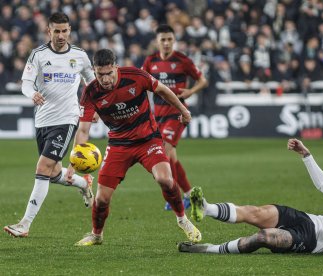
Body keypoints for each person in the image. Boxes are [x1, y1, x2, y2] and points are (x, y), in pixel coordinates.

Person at [67, 49, 201, 246]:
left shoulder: (135, 76)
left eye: (108, 73)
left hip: (148, 140)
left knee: (165, 178)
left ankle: (183, 220)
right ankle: (96, 235)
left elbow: (163, 90)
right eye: (99, 74)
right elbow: (83, 129)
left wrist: (183, 110)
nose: (104, 79)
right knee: (102, 199)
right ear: (94, 72)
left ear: (115, 67)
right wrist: (75, 160)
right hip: (118, 145)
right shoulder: (91, 92)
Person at [179, 138, 323, 254]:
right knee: (255, 212)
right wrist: (306, 155)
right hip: (307, 219)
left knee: (263, 237)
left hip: (312, 242)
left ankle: (207, 249)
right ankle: (205, 208)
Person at [4, 12, 96, 238]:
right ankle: (83, 184)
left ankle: (25, 224)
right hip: (42, 120)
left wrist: (94, 107)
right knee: (54, 173)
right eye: (57, 31)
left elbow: (92, 83)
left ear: (70, 31)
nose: (61, 35)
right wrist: (32, 93)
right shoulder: (38, 55)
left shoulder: (80, 56)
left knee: (42, 168)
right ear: (49, 31)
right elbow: (26, 82)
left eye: (65, 31)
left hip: (66, 120)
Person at [142, 24, 208, 211]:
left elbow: (203, 80)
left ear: (174, 40)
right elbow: (142, 83)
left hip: (177, 114)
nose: (166, 43)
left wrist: (191, 91)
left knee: (165, 149)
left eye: (170, 39)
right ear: (157, 41)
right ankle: (188, 195)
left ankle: (176, 196)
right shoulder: (150, 61)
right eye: (163, 39)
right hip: (159, 114)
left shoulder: (183, 60)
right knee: (171, 157)